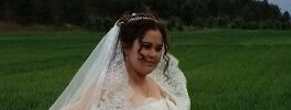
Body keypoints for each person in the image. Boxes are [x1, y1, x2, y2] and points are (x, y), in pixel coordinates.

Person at [48, 12, 190, 110]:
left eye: (159, 48)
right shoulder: (108, 86)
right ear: (126, 47)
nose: (153, 54)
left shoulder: (156, 82)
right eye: (146, 46)